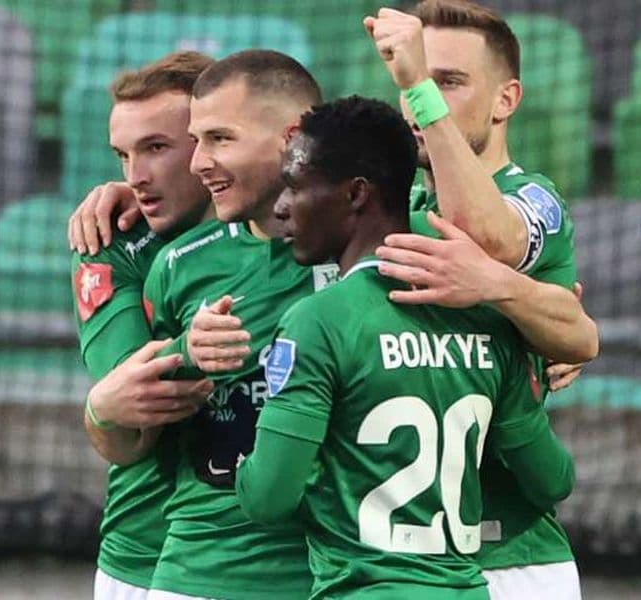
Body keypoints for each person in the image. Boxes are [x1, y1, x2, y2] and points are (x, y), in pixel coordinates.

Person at [236, 95, 575, 599]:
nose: (281, 206)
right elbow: (552, 481)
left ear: (356, 194)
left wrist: (272, 465)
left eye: (296, 186)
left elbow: (267, 497)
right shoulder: (489, 320)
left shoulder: (318, 322)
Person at [365, 2, 590, 597]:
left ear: (505, 99)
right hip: (391, 561)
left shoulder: (536, 198)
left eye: (448, 81)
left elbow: (485, 239)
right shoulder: (387, 209)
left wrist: (418, 88)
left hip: (513, 558)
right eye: (416, 79)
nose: (420, 101)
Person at [139, 50, 332, 600]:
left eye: (220, 139)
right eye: (196, 141)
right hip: (201, 575)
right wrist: (183, 353)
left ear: (293, 137)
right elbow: (127, 435)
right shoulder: (179, 264)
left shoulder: (384, 241)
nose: (199, 162)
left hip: (339, 576)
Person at [71, 52, 216, 600]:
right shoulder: (112, 239)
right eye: (123, 155)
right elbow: (135, 407)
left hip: (280, 559)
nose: (135, 176)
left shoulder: (305, 232)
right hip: (142, 555)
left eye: (156, 148)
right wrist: (101, 410)